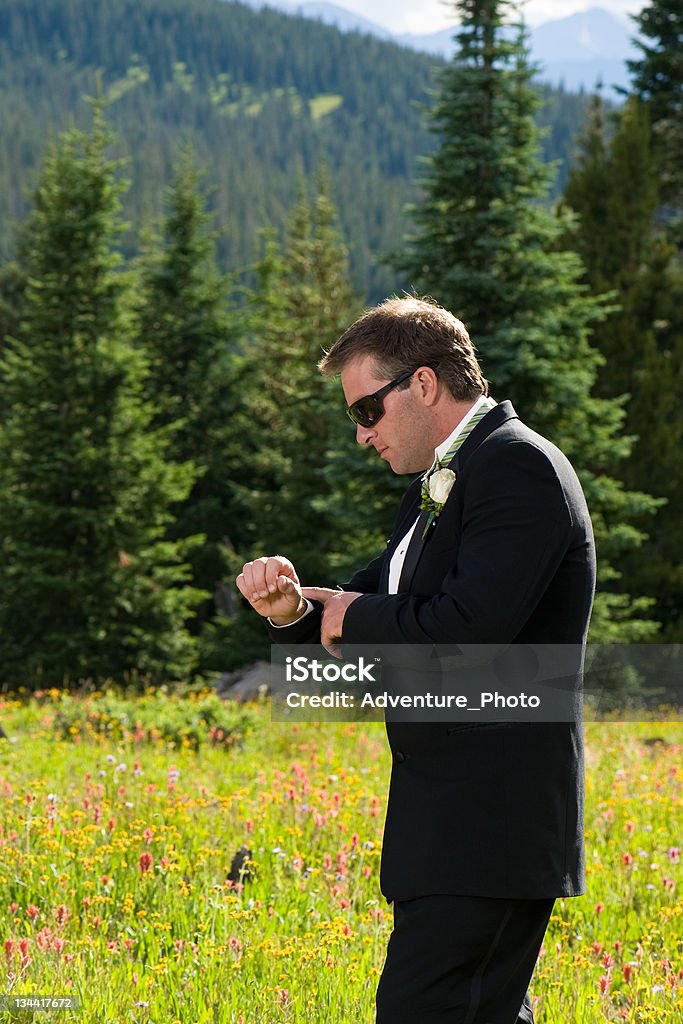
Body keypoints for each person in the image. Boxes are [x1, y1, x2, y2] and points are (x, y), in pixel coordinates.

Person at [236, 296, 596, 1024]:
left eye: (367, 410)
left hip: (489, 825)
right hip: (453, 827)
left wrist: (350, 615)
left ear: (423, 384)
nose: (362, 435)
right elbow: (375, 599)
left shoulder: (515, 466)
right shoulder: (445, 479)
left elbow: (472, 626)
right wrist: (296, 612)